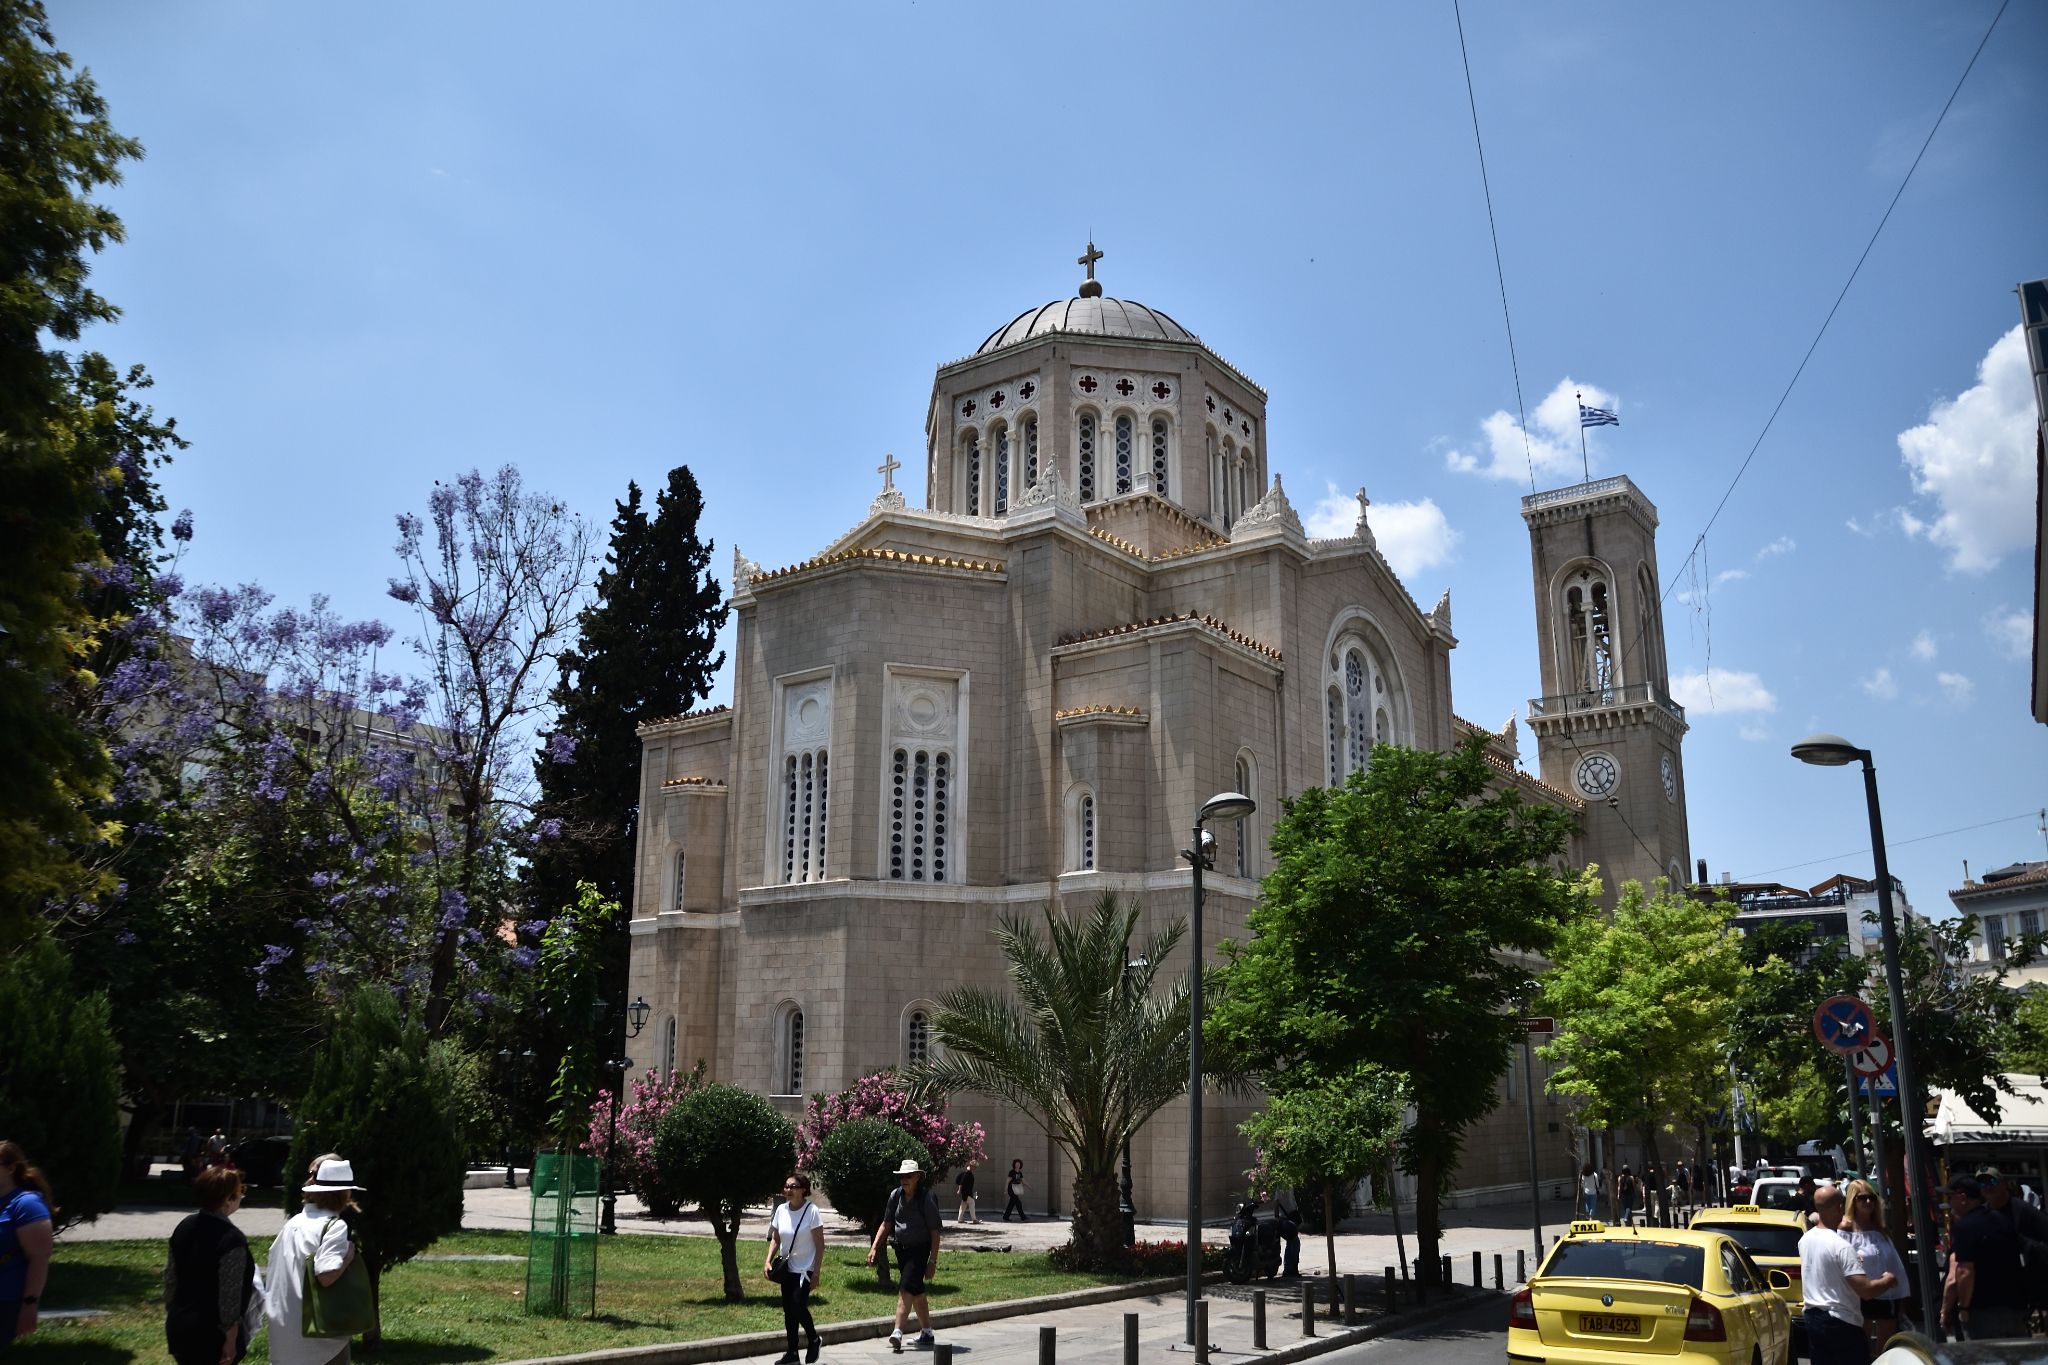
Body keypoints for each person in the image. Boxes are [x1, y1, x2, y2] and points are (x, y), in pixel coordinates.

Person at [265, 1157, 363, 1365]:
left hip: (283, 1331)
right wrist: (348, 1256)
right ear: (346, 1194)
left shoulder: (294, 1223)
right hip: (318, 1340)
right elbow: (326, 1275)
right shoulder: (334, 1226)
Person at [164, 1163, 259, 1365]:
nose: (242, 1195)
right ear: (227, 1199)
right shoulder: (231, 1239)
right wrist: (231, 1338)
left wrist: (174, 1313)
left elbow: (170, 1278)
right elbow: (229, 1294)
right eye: (240, 1191)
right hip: (211, 1335)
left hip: (180, 1325)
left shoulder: (185, 1225)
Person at [1801, 1183, 1886, 1365]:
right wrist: (1888, 1280)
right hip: (1841, 1322)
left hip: (1813, 1319)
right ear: (1840, 1207)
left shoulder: (1805, 1240)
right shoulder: (1841, 1246)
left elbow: (1826, 1270)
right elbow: (1866, 1291)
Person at [1943, 1174, 2029, 1341]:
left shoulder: (1964, 1227)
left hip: (1983, 1312)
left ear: (1963, 1198)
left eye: (1950, 1197)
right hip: (2015, 1307)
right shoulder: (2004, 1220)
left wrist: (1963, 1308)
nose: (1948, 1202)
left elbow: (1964, 1272)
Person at [868, 1159, 941, 1353]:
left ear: (917, 1177)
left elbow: (935, 1232)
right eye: (901, 1176)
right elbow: (886, 1223)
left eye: (908, 1176)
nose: (904, 1180)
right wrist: (875, 1247)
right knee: (916, 1290)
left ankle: (898, 1331)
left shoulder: (926, 1198)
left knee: (906, 1287)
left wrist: (932, 1261)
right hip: (901, 1250)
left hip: (920, 1249)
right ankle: (927, 1332)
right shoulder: (895, 1196)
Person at [1840, 1178, 1910, 1350]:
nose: (1868, 1201)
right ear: (1852, 1200)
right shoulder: (1846, 1228)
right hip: (1860, 1293)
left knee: (1887, 1345)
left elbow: (1894, 1264)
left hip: (1887, 1293)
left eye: (1871, 1197)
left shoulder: (1880, 1228)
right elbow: (1842, 1260)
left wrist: (1901, 1297)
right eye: (1862, 1198)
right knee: (1861, 1344)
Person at [0, 1142, 55, 1353]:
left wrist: (29, 1306)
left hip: (5, 1300)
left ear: (11, 1168)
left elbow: (39, 1258)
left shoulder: (27, 1204)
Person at [765, 1172, 825, 1365]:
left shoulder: (812, 1211)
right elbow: (776, 1238)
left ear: (803, 1190)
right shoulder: (781, 1210)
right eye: (786, 1186)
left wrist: (816, 1272)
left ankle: (814, 1338)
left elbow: (820, 1245)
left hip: (805, 1270)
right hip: (787, 1268)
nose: (788, 1190)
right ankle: (792, 1354)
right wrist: (768, 1260)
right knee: (788, 1311)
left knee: (798, 1306)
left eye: (793, 1187)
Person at [1272, 1186, 1301, 1278]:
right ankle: (1289, 1269)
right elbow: (1276, 1202)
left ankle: (1292, 1269)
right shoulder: (1280, 1185)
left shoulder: (1290, 1184)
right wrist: (1276, 1218)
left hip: (1291, 1216)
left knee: (1293, 1243)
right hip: (1285, 1217)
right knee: (1293, 1242)